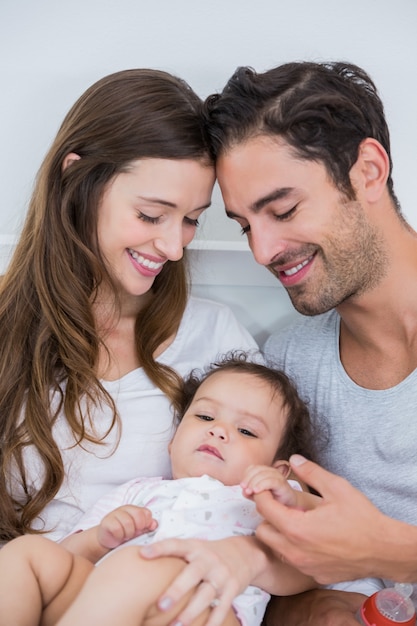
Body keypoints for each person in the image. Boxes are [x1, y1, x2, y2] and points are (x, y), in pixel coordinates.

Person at [0, 68, 274, 626]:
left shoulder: (216, 343)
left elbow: (277, 502)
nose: (173, 247)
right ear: (77, 179)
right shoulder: (9, 332)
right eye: (151, 215)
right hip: (50, 589)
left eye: (192, 220)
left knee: (140, 571)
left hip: (170, 600)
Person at [203, 60, 417, 624]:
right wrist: (316, 608)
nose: (263, 251)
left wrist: (390, 551)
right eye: (247, 225)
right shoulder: (287, 367)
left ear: (367, 171)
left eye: (283, 210)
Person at [0, 353, 319, 626]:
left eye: (246, 430)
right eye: (205, 416)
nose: (218, 430)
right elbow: (67, 554)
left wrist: (283, 498)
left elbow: (311, 569)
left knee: (141, 564)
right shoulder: (138, 492)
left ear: (277, 470)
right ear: (173, 441)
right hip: (104, 607)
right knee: (30, 553)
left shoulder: (268, 503)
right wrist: (98, 540)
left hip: (203, 612)